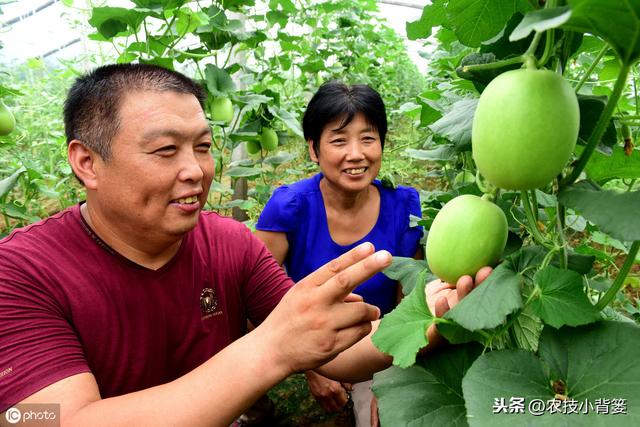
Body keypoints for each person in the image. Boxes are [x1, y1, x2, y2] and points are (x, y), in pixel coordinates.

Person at [0, 64, 488, 427]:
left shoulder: (231, 245)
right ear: (86, 162)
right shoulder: (21, 271)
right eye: (166, 150)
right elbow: (40, 419)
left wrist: (428, 322)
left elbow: (336, 351)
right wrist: (270, 349)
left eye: (204, 147)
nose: (196, 169)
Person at [254, 81, 422, 425]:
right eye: (339, 140)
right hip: (300, 352)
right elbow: (258, 302)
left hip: (377, 350)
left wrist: (393, 378)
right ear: (314, 149)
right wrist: (313, 369)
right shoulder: (290, 207)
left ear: (383, 144)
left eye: (368, 138)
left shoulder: (405, 205)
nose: (356, 153)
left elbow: (410, 306)